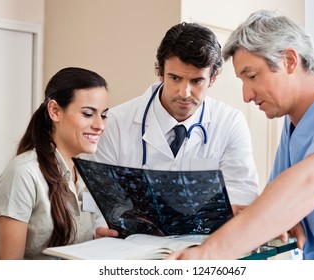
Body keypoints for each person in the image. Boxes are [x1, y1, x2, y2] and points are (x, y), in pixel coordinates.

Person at [168, 10, 314, 260]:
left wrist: (207, 255)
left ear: (290, 61)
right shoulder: (293, 123)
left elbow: (308, 182)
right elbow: (281, 202)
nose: (246, 96)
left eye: (252, 76)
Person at [93, 22, 259, 211]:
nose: (184, 93)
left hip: (204, 238)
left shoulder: (230, 123)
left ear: (213, 77)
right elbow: (103, 198)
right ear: (160, 72)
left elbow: (242, 193)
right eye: (175, 78)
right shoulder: (115, 122)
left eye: (196, 81)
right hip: (132, 238)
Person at [0, 67, 118, 259]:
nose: (100, 125)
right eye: (88, 113)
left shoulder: (85, 173)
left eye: (103, 115)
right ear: (55, 111)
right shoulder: (23, 173)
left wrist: (93, 238)